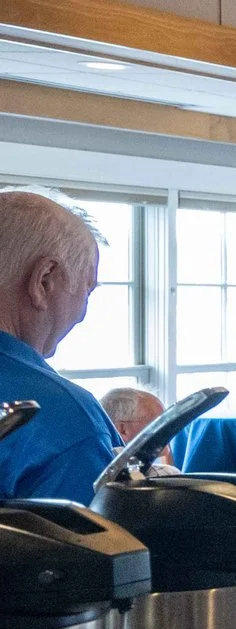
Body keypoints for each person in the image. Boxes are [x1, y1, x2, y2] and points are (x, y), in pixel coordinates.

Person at [0, 189, 122, 500]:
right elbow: (95, 532)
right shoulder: (64, 419)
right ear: (44, 281)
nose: (82, 313)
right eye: (87, 290)